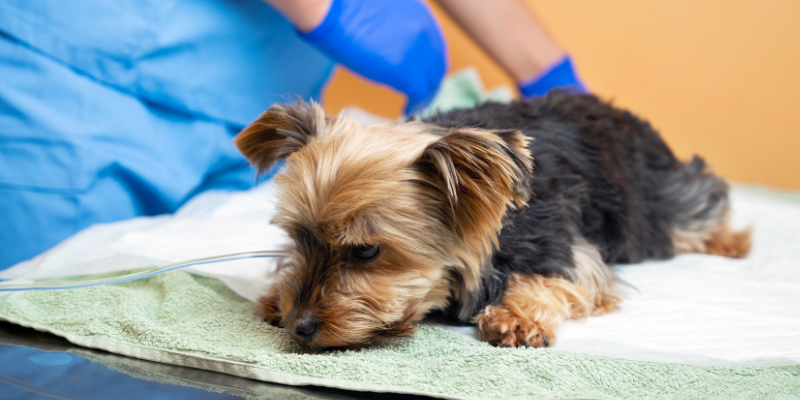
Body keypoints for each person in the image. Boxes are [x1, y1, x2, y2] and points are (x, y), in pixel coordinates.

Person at [0, 0, 586, 271]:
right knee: (46, 331)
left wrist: (547, 72)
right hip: (73, 81)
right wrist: (327, 6)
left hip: (256, 111)